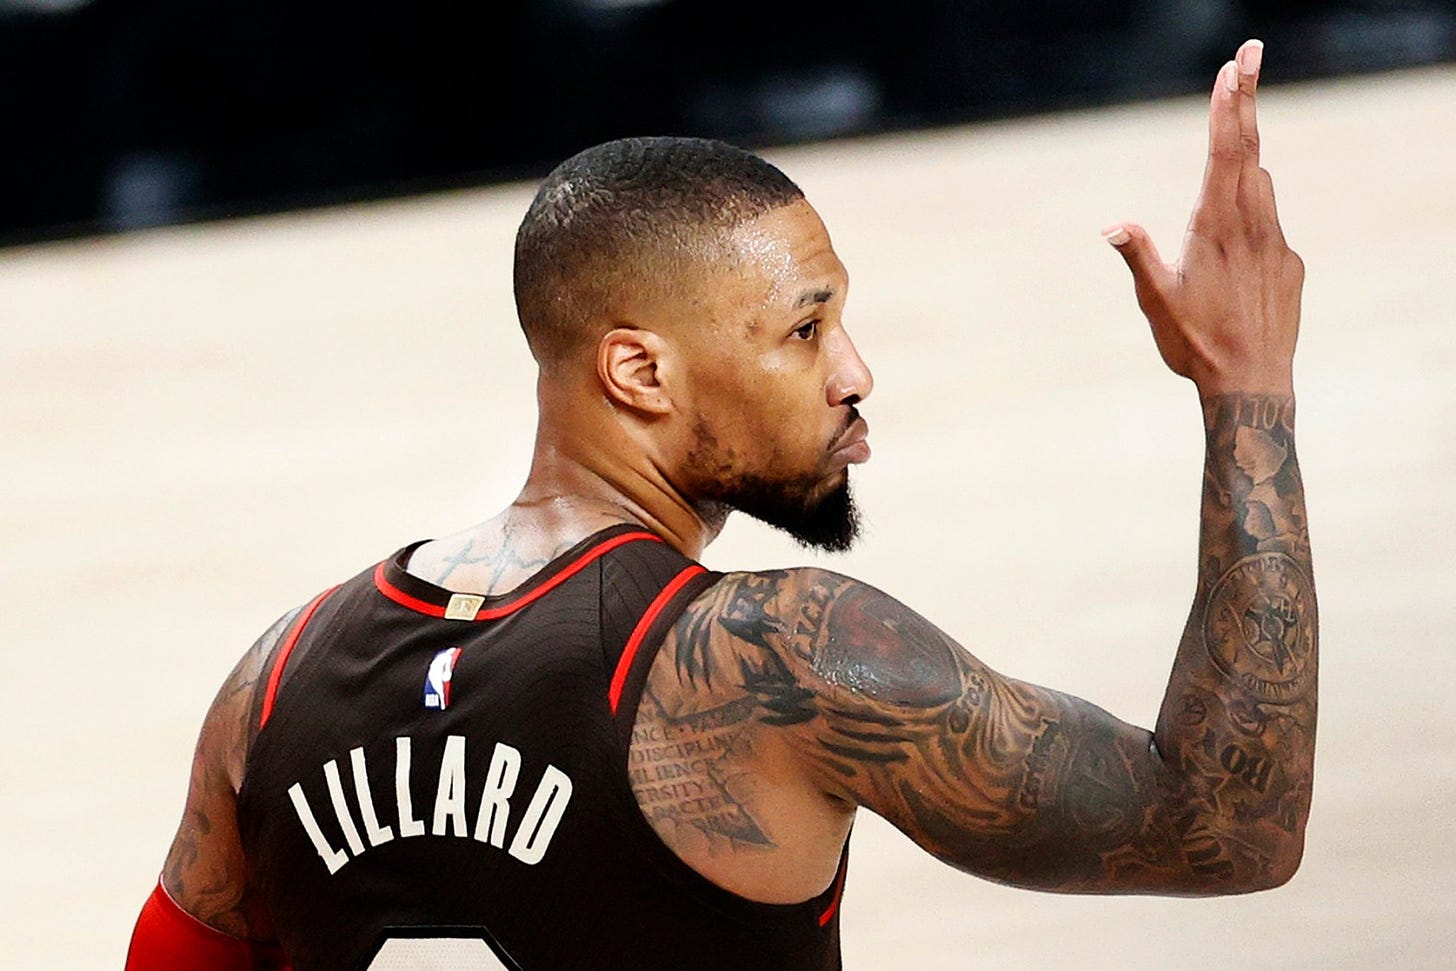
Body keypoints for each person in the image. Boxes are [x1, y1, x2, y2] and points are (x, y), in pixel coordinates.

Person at [126, 38, 1315, 971]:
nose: (852, 371)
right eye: (804, 330)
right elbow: (1224, 820)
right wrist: (1245, 390)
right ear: (638, 371)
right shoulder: (776, 656)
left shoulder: (273, 681)